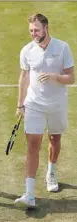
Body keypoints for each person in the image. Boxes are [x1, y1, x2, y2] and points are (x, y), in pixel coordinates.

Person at [14, 13, 75, 209]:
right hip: (34, 105)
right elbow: (23, 78)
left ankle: (51, 172)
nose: (34, 34)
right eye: (31, 30)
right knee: (32, 145)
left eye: (37, 30)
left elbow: (71, 78)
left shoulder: (62, 47)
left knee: (54, 140)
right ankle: (29, 194)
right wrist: (20, 104)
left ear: (46, 28)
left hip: (57, 104)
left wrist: (54, 76)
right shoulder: (27, 50)